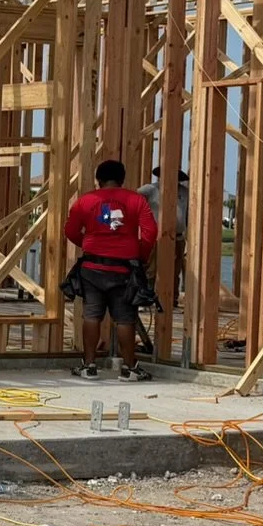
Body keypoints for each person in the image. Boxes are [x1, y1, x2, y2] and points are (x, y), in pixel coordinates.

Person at [63, 159, 158, 380]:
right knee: (125, 318)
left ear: (99, 180)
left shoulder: (85, 201)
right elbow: (150, 233)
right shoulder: (136, 200)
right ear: (122, 179)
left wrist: (89, 244)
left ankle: (89, 366)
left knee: (92, 314)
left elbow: (70, 230)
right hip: (124, 269)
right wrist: (140, 255)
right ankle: (130, 369)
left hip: (92, 267)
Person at [138, 169, 190, 299]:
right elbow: (134, 202)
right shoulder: (149, 190)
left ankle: (172, 299)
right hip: (155, 237)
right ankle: (147, 297)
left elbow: (187, 214)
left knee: (174, 270)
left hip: (177, 237)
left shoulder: (184, 192)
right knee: (150, 269)